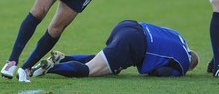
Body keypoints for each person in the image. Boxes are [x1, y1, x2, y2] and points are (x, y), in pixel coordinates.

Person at [30, 20, 199, 78]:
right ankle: (52, 67)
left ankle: (63, 58)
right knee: (89, 71)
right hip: (134, 43)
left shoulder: (179, 36)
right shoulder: (183, 64)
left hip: (128, 26)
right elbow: (162, 72)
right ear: (190, 65)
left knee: (105, 63)